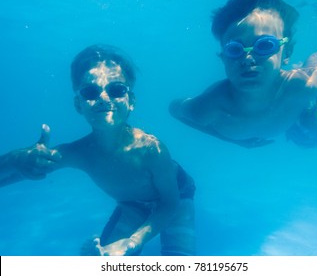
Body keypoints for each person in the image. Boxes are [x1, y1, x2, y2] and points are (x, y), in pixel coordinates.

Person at [0, 44, 196, 256]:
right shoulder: (79, 153)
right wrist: (16, 160)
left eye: (117, 89)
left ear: (132, 101)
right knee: (103, 259)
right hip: (132, 203)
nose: (104, 98)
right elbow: (24, 170)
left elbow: (169, 203)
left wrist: (132, 242)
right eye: (91, 91)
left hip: (177, 194)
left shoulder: (151, 150)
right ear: (78, 104)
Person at [170, 0, 317, 148]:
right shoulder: (209, 107)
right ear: (223, 58)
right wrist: (228, 140)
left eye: (264, 45)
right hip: (268, 123)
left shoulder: (304, 86)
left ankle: (300, 120)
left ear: (287, 53)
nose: (248, 59)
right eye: (234, 49)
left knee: (312, 136)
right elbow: (174, 109)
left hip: (288, 109)